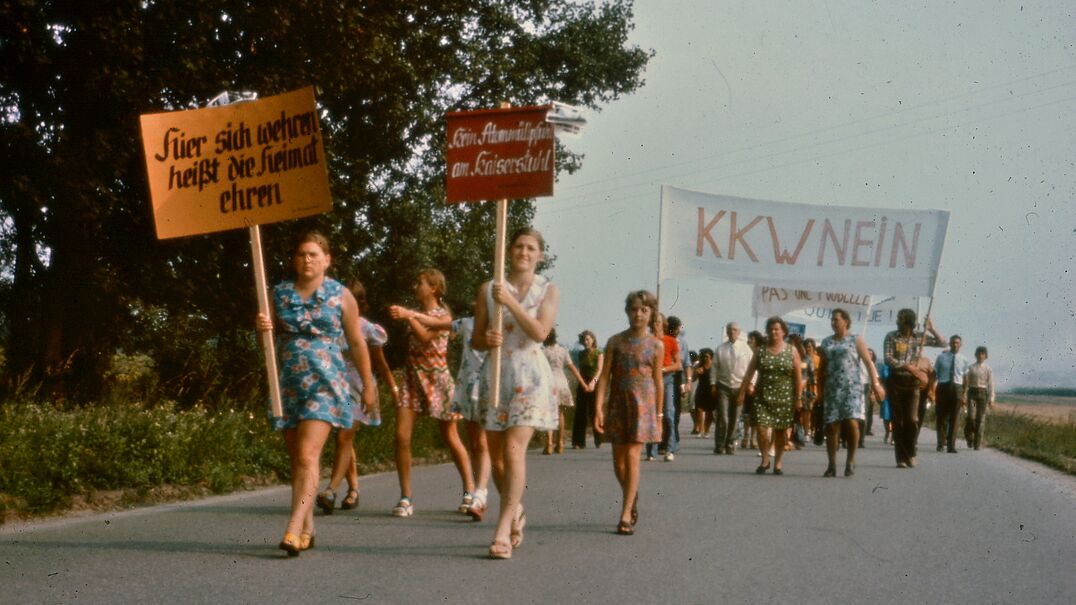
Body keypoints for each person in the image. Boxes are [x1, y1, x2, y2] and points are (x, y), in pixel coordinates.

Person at [255, 230, 377, 556]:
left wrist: (368, 384)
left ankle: (293, 528)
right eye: (301, 254)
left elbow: (355, 342)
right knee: (298, 460)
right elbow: (266, 343)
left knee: (309, 456)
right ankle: (308, 528)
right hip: (289, 384)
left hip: (326, 383)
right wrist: (262, 329)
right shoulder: (278, 294)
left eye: (313, 254)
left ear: (327, 259)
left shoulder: (341, 295)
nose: (307, 260)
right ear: (294, 260)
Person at [472, 227, 559, 560]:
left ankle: (502, 529)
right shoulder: (488, 289)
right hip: (496, 376)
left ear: (539, 255)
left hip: (530, 377)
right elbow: (476, 339)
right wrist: (487, 339)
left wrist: (510, 303)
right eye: (519, 246)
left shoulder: (547, 290)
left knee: (513, 450)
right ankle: (516, 510)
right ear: (509, 251)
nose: (524, 252)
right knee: (495, 458)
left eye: (531, 248)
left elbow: (539, 332)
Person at [388, 269, 475, 517]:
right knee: (401, 437)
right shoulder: (419, 313)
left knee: (450, 437)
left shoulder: (442, 315)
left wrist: (407, 317)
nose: (416, 286)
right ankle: (406, 497)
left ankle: (469, 490)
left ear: (434, 288)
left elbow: (426, 336)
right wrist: (409, 316)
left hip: (437, 379)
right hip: (412, 378)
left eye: (421, 283)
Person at [316, 280, 400, 515]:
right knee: (344, 439)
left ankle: (331, 490)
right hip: (334, 387)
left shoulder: (365, 328)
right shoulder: (330, 327)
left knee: (344, 436)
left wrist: (393, 389)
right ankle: (353, 489)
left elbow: (381, 364)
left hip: (358, 388)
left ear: (357, 303)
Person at [594, 290, 663, 536]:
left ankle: (624, 515)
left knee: (633, 457)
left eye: (644, 310)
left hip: (642, 407)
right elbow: (605, 377)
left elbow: (658, 381)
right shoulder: (615, 341)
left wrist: (659, 415)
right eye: (634, 309)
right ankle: (631, 496)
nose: (638, 314)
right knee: (618, 461)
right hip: (618, 404)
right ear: (627, 311)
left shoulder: (656, 345)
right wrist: (598, 407)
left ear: (651, 313)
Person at [817, 309, 886, 477]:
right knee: (832, 426)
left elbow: (869, 363)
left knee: (852, 423)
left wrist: (876, 384)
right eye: (832, 320)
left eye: (837, 319)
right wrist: (819, 391)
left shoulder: (856, 340)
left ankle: (850, 461)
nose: (834, 322)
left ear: (846, 321)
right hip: (832, 388)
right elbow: (822, 368)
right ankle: (832, 464)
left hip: (852, 388)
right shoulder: (826, 342)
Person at [737, 317, 802, 475]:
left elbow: (798, 376)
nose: (773, 332)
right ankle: (765, 460)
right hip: (762, 396)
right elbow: (749, 373)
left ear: (783, 332)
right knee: (760, 428)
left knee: (780, 431)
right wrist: (741, 393)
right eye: (771, 329)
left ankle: (778, 462)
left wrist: (798, 398)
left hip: (784, 397)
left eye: (777, 329)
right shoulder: (760, 351)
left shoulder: (791, 350)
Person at [883, 308, 944, 468]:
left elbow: (942, 343)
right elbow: (888, 359)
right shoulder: (891, 337)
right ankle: (901, 458)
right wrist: (908, 366)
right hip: (896, 381)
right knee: (898, 421)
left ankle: (911, 452)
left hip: (913, 384)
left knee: (912, 419)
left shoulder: (919, 337)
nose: (897, 321)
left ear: (908, 322)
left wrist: (931, 328)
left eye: (900, 318)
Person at [451, 311, 491, 521]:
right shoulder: (465, 323)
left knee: (482, 442)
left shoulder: (498, 323)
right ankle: (476, 489)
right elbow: (443, 325)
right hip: (467, 385)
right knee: (474, 442)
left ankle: (479, 494)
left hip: (487, 386)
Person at [711, 322, 753, 455]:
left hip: (740, 387)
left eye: (734, 330)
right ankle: (719, 444)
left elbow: (753, 368)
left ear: (739, 332)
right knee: (723, 417)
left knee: (735, 417)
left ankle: (730, 443)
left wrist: (751, 384)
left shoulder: (746, 349)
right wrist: (713, 384)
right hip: (724, 386)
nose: (732, 332)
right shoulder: (721, 349)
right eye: (729, 330)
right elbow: (714, 368)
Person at [543, 328, 585, 454]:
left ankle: (549, 444)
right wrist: (583, 383)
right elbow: (572, 367)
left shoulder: (543, 352)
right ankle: (560, 443)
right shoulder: (563, 351)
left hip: (548, 382)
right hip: (561, 382)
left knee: (549, 414)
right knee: (561, 414)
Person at [645, 313, 681, 462]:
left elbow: (678, 364)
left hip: (667, 380)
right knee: (651, 415)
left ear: (663, 324)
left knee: (668, 413)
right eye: (653, 322)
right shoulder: (647, 341)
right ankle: (651, 451)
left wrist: (664, 369)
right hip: (650, 381)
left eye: (658, 322)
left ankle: (670, 448)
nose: (655, 325)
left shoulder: (671, 341)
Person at [934, 335, 969, 453]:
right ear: (949, 343)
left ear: (961, 345)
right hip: (943, 387)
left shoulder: (964, 360)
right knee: (941, 417)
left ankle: (951, 446)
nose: (955, 345)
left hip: (957, 388)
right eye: (953, 342)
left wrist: (964, 394)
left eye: (957, 343)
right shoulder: (941, 357)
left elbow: (965, 378)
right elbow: (935, 373)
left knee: (955, 418)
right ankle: (940, 443)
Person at [571, 330, 604, 449]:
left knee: (595, 410)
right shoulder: (581, 354)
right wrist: (583, 383)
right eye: (584, 340)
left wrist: (593, 383)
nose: (586, 342)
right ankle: (578, 442)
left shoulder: (598, 353)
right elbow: (579, 369)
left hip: (595, 381)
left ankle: (599, 439)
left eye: (588, 339)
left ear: (593, 340)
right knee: (580, 412)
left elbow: (599, 370)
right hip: (583, 381)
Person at [963, 346, 995, 450]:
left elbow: (991, 385)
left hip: (982, 394)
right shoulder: (971, 368)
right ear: (975, 355)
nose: (980, 356)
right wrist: (964, 396)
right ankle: (969, 437)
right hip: (972, 393)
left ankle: (977, 443)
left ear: (986, 356)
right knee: (971, 417)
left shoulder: (988, 369)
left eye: (983, 354)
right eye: (979, 354)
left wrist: (991, 399)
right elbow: (966, 383)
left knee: (980, 419)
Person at [739, 330, 764, 452]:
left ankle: (753, 438)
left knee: (756, 414)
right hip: (747, 384)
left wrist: (753, 384)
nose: (749, 341)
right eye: (749, 339)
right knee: (747, 413)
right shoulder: (744, 352)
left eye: (752, 339)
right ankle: (745, 436)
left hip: (758, 386)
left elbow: (759, 371)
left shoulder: (761, 352)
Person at [693, 349, 716, 438]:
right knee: (699, 409)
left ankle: (707, 430)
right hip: (701, 389)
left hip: (711, 390)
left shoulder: (714, 366)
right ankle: (701, 429)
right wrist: (696, 372)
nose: (705, 358)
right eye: (703, 356)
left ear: (711, 357)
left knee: (709, 411)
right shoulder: (699, 365)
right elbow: (694, 378)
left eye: (707, 356)